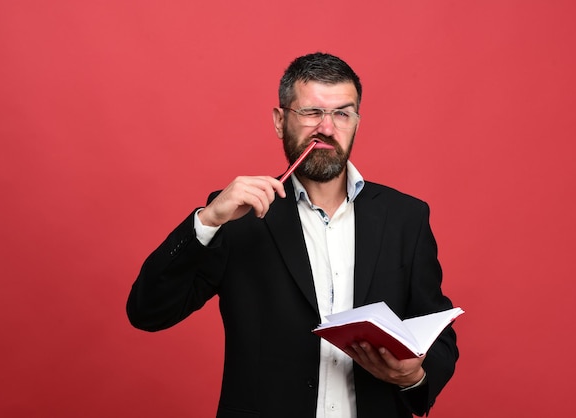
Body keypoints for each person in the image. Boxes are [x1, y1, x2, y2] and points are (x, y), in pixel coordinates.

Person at [127, 52, 459, 418]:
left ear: (357, 122)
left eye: (342, 114)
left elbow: (437, 332)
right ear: (279, 120)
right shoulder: (239, 217)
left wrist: (414, 376)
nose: (327, 129)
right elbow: (148, 311)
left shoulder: (405, 217)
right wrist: (207, 220)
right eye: (312, 113)